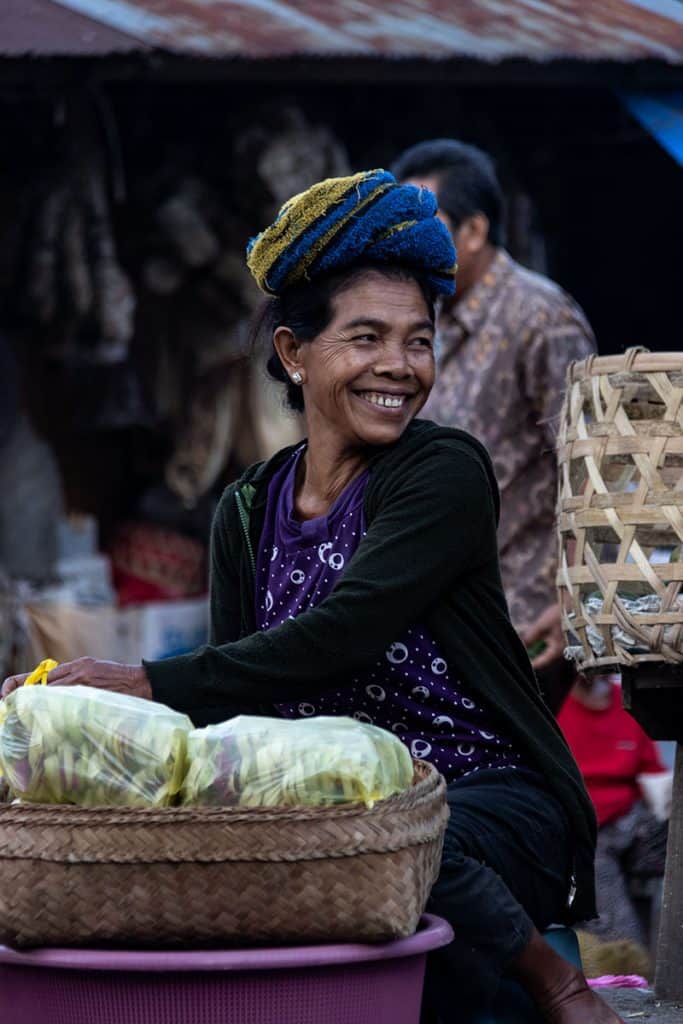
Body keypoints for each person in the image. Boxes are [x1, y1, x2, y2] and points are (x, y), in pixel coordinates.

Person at [2, 170, 619, 1024]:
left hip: (475, 792)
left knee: (394, 843)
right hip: (316, 799)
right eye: (365, 338)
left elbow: (344, 634)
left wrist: (145, 679)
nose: (399, 369)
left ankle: (559, 984)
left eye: (418, 341)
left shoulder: (440, 471)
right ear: (294, 353)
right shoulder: (247, 507)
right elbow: (233, 701)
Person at [392, 140, 596, 713]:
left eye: (423, 230)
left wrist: (573, 591)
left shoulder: (541, 317)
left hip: (523, 612)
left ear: (474, 231)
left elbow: (590, 469)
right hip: (444, 605)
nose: (409, 250)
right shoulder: (429, 315)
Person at [558, 673, 670, 947]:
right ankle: (625, 960)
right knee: (601, 883)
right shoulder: (555, 704)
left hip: (630, 819)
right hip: (586, 827)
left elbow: (652, 770)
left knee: (674, 838)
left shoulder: (626, 702)